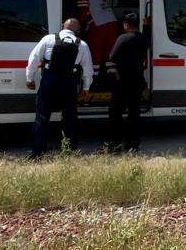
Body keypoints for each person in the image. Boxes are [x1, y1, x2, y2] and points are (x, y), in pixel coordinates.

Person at [25, 18, 94, 159]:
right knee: (69, 118)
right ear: (78, 30)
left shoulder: (48, 39)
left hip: (49, 81)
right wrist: (86, 88)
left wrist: (29, 78)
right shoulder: (82, 45)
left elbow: (34, 58)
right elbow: (88, 70)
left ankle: (37, 153)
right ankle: (68, 152)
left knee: (42, 117)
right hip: (69, 83)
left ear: (62, 26)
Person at [106, 13, 148, 153]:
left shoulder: (123, 38)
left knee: (115, 112)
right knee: (134, 113)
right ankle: (133, 145)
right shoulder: (143, 38)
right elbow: (146, 40)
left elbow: (112, 56)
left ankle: (115, 143)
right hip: (138, 80)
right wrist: (147, 26)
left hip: (123, 81)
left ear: (126, 24)